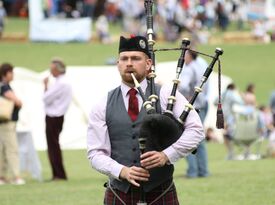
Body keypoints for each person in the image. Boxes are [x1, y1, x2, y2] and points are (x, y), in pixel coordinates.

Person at [87, 35, 204, 204]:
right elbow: (95, 153)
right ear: (117, 64)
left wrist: (166, 155)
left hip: (160, 191)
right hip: (120, 192)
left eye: (135, 58)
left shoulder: (165, 94)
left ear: (148, 64)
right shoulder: (103, 104)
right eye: (124, 59)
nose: (129, 63)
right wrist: (121, 171)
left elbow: (196, 129)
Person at [178, 49, 210, 178]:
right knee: (199, 139)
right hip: (203, 103)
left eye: (185, 54)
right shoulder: (201, 64)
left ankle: (193, 171)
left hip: (192, 106)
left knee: (187, 138)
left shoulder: (188, 68)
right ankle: (203, 170)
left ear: (189, 55)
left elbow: (184, 86)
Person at [43, 58, 72, 181]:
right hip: (57, 116)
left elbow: (46, 98)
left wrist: (45, 86)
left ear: (57, 70)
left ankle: (59, 174)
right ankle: (57, 174)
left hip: (54, 116)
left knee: (53, 146)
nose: (51, 71)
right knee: (54, 145)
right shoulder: (62, 82)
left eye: (52, 69)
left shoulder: (61, 83)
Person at [0, 63, 25, 185]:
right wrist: (19, 102)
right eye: (11, 72)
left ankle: (2, 177)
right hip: (7, 123)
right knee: (12, 149)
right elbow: (17, 101)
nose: (13, 75)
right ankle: (16, 176)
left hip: (3, 124)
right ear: (6, 73)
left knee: (3, 150)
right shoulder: (4, 87)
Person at [220, 83, 244, 160]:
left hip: (222, 116)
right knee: (230, 135)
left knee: (225, 136)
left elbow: (215, 102)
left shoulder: (223, 93)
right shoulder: (231, 94)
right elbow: (240, 102)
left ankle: (230, 153)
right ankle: (233, 153)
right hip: (230, 117)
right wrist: (240, 95)